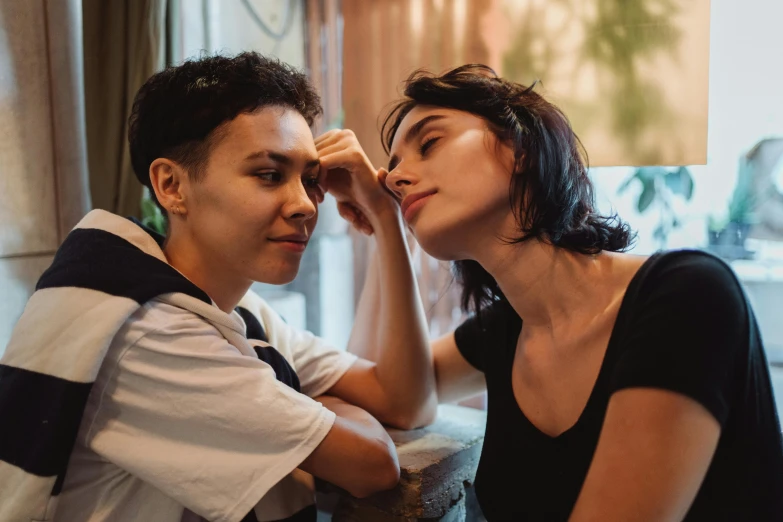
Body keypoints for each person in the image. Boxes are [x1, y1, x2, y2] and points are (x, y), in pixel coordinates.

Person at [0, 53, 437, 522]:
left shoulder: (240, 310)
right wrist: (312, 401)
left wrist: (384, 216)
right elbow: (371, 466)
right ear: (171, 186)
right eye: (269, 175)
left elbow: (404, 402)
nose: (305, 205)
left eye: (311, 180)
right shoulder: (145, 329)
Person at [346, 64, 783, 521]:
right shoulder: (508, 329)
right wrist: (384, 221)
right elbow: (404, 396)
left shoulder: (687, 298)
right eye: (392, 169)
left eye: (430, 143)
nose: (395, 179)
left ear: (521, 148)